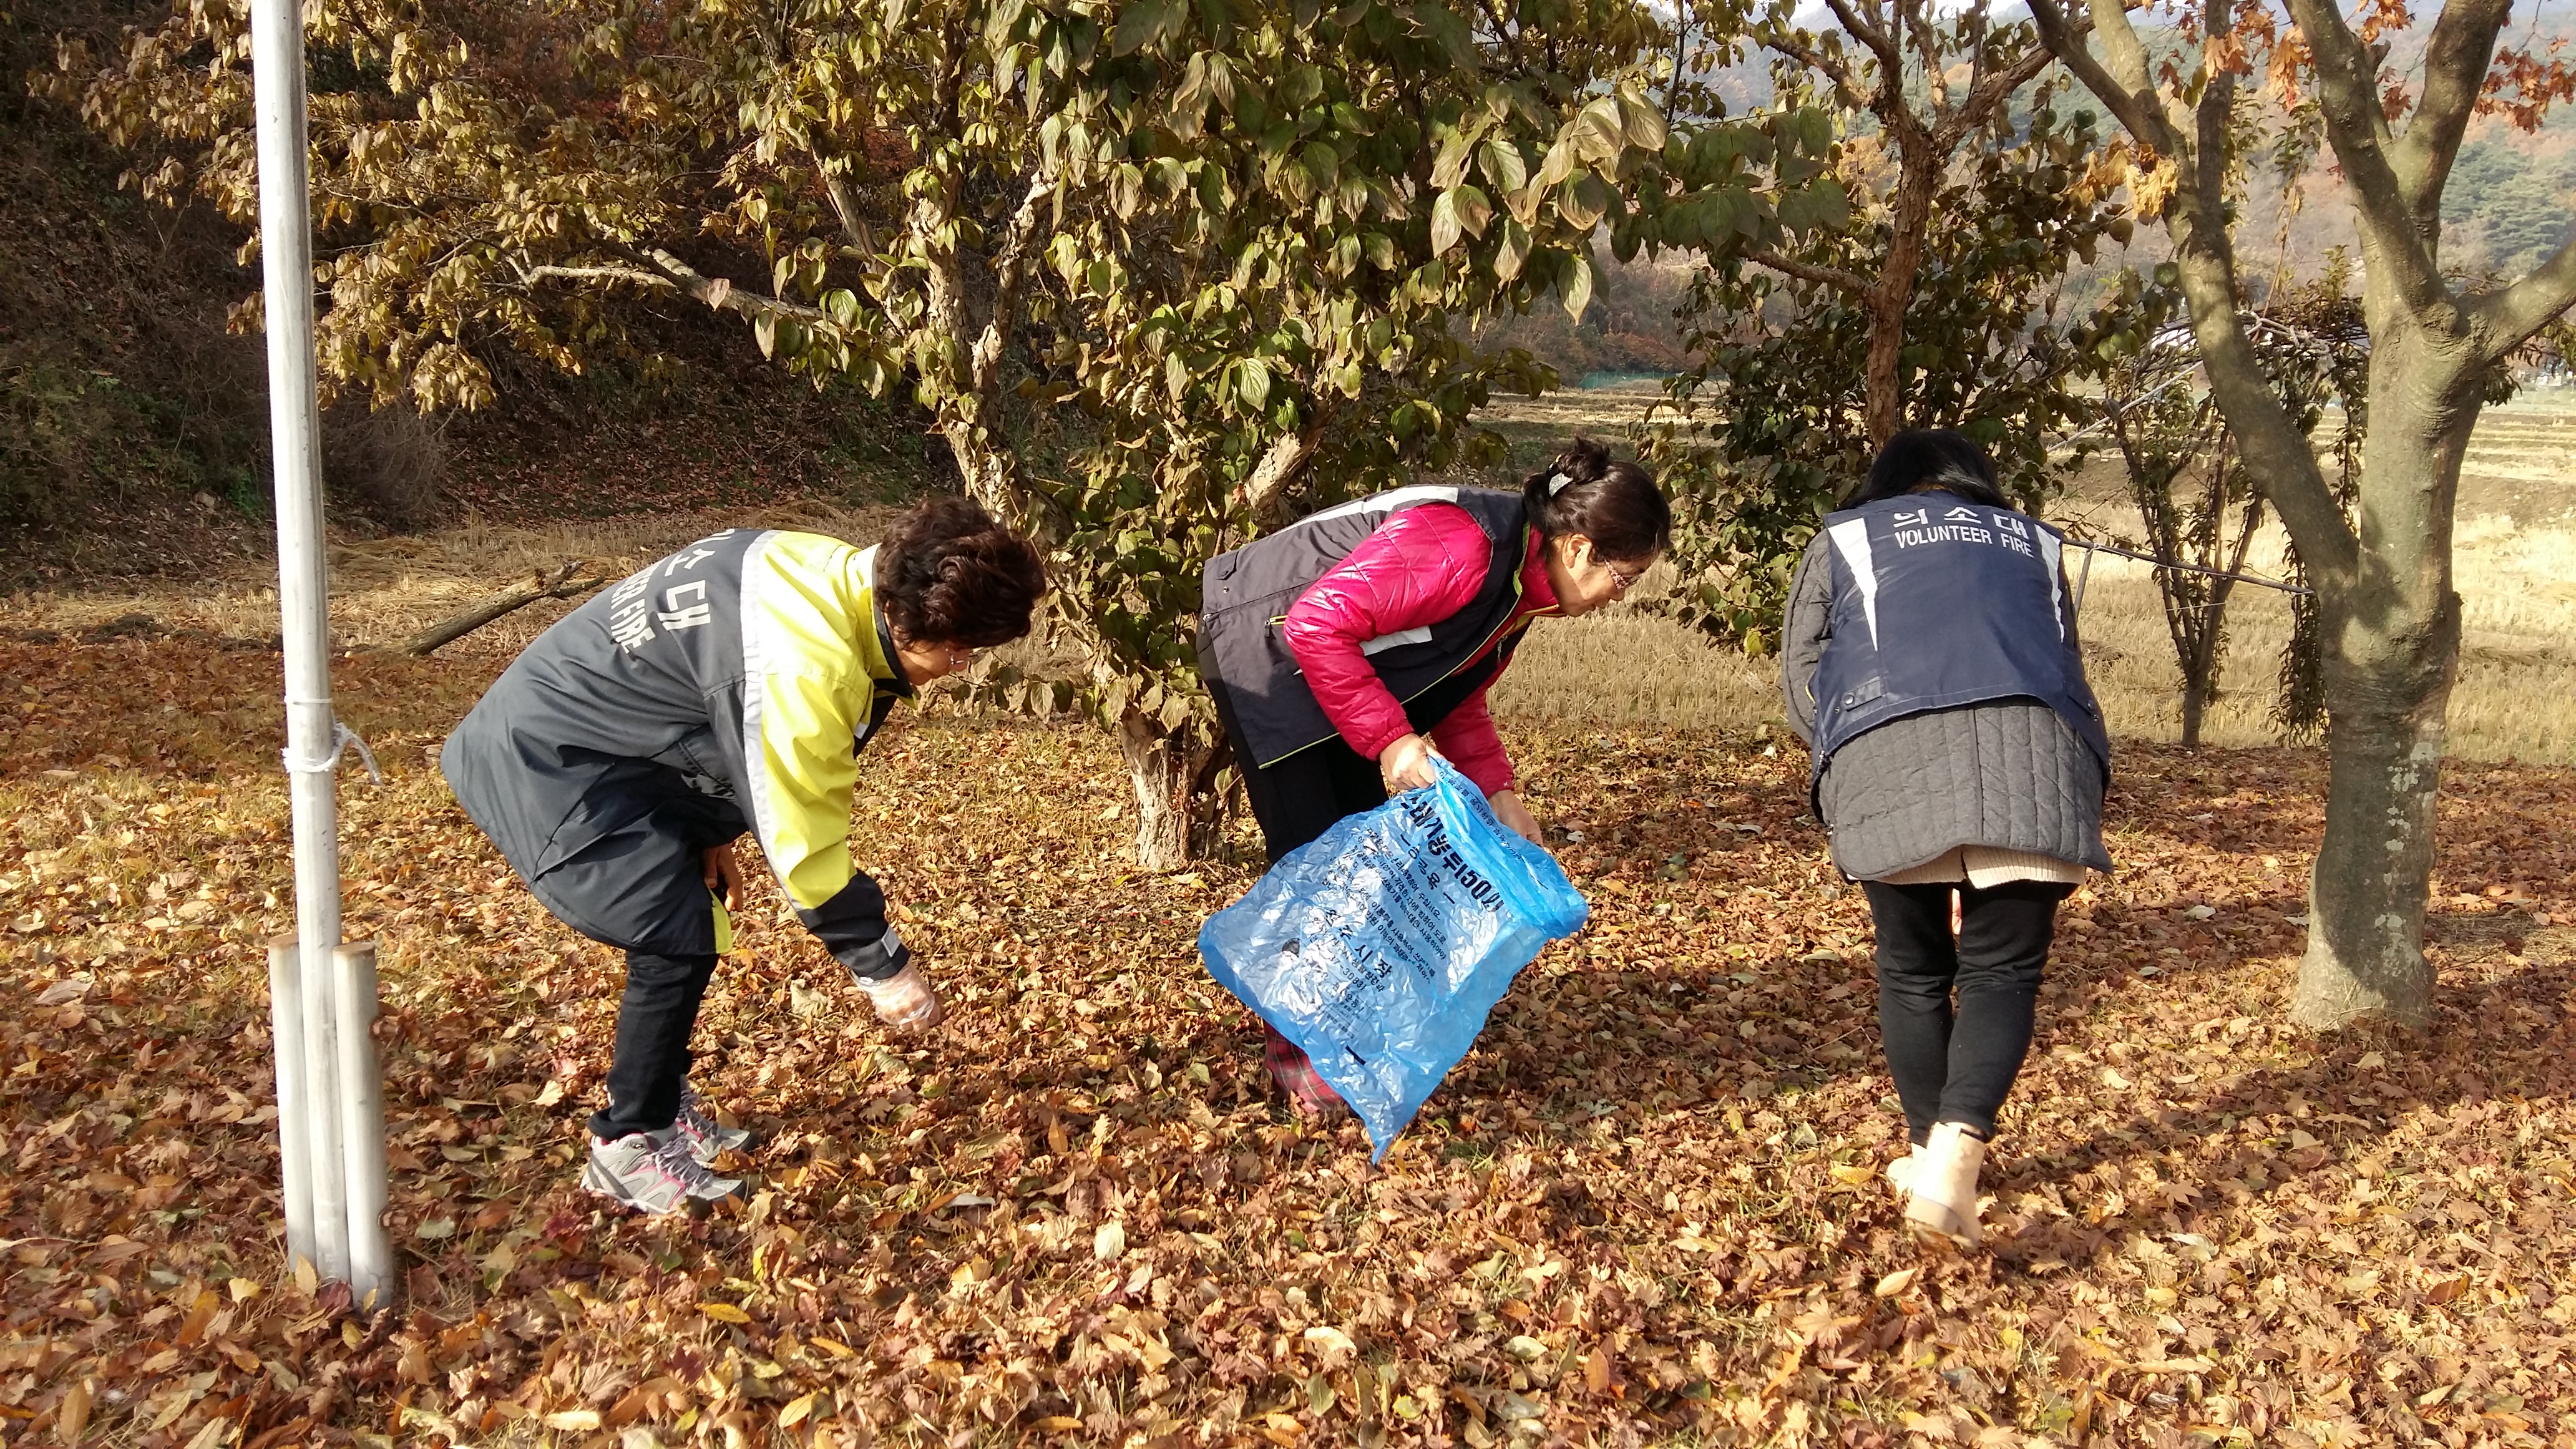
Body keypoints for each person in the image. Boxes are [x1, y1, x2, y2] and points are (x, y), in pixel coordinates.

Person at [441, 499, 1045, 1213]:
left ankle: (661, 1100)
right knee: (672, 934)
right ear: (906, 618)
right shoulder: (807, 667)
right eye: (960, 652)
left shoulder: (826, 571)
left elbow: (702, 700)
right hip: (545, 759)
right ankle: (629, 1142)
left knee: (692, 917)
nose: (958, 669)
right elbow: (804, 847)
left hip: (613, 746)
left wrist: (712, 829)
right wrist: (883, 967)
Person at [1196, 439, 1672, 1116]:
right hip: (1265, 655)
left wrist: (1500, 793)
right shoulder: (1465, 546)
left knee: (1364, 870)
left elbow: (1453, 693)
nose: (1617, 599)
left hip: (1340, 679)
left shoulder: (1521, 591)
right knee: (1318, 865)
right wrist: (1391, 741)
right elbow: (1316, 623)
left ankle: (1340, 1040)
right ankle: (1302, 1062)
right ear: (1578, 549)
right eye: (1624, 579)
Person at [1781, 429, 2112, 1244]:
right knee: (2004, 970)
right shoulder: (2034, 543)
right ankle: (1953, 1164)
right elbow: (2061, 659)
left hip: (1887, 752)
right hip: (2040, 753)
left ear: (1887, 481)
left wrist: (1846, 760)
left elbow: (1802, 677)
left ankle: (1929, 1154)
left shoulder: (1846, 538)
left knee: (1913, 969)